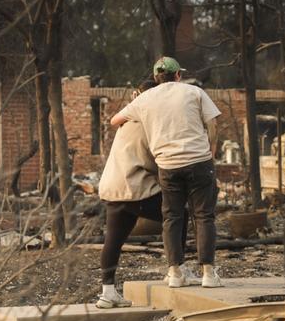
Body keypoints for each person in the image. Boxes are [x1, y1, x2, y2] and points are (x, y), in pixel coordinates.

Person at [111, 57, 223, 288]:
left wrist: (136, 106)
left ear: (155, 78)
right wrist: (211, 150)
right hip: (199, 161)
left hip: (168, 165)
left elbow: (115, 120)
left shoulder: (145, 99)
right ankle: (209, 274)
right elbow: (213, 124)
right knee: (204, 216)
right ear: (178, 75)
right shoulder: (194, 92)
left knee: (172, 217)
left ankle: (174, 273)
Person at [96, 78, 198, 308]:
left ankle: (107, 292)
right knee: (176, 215)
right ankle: (177, 269)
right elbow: (161, 158)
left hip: (114, 186)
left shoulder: (128, 118)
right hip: (136, 185)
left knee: (114, 239)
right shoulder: (151, 120)